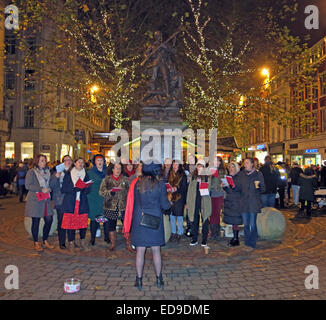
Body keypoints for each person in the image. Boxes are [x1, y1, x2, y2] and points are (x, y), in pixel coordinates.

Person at [123, 162, 171, 291]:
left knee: (140, 251)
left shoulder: (137, 183)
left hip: (140, 220)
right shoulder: (160, 184)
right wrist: (170, 202)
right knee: (156, 251)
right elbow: (165, 205)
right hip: (155, 220)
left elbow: (133, 202)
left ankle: (139, 280)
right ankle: (159, 279)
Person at [25, 154, 54, 252]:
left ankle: (45, 240)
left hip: (46, 199)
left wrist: (49, 188)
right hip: (35, 200)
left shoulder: (47, 171)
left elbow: (49, 183)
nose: (44, 162)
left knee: (49, 219)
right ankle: (36, 242)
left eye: (45, 160)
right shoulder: (31, 172)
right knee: (36, 221)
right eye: (42, 160)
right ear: (37, 162)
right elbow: (28, 185)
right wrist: (41, 189)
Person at [61, 158, 91, 254]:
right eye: (79, 162)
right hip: (71, 202)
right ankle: (71, 243)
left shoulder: (86, 175)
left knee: (82, 223)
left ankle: (82, 241)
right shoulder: (68, 174)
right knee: (71, 223)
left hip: (81, 202)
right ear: (75, 163)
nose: (81, 164)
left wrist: (83, 189)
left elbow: (89, 189)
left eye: (82, 162)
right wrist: (74, 189)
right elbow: (64, 189)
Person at [99, 162, 131, 252]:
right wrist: (110, 192)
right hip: (110, 207)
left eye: (120, 168)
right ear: (112, 169)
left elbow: (130, 192)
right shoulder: (106, 179)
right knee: (111, 226)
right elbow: (101, 192)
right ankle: (113, 244)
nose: (118, 170)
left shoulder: (125, 179)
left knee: (127, 226)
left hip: (123, 207)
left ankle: (128, 244)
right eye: (116, 168)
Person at [238, 158, 265, 250]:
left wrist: (258, 186)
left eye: (247, 163)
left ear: (252, 164)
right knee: (246, 224)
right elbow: (238, 188)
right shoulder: (241, 175)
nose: (245, 164)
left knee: (252, 224)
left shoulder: (258, 174)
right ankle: (247, 241)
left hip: (253, 202)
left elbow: (263, 189)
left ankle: (253, 242)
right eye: (244, 163)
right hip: (244, 202)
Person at [186, 159, 212, 247]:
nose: (199, 167)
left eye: (201, 166)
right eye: (198, 165)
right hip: (194, 201)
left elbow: (209, 189)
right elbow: (189, 190)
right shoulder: (193, 177)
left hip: (204, 201)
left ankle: (204, 240)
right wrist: (187, 202)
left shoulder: (207, 177)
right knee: (194, 220)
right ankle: (194, 239)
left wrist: (203, 183)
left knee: (204, 220)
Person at [49, 155, 73, 249]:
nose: (68, 161)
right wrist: (56, 177)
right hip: (60, 200)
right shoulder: (57, 172)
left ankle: (71, 240)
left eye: (69, 160)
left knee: (71, 220)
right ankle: (62, 242)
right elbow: (51, 186)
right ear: (63, 162)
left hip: (71, 199)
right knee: (62, 221)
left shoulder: (74, 171)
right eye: (66, 160)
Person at [87, 154, 109, 247]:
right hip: (94, 198)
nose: (99, 162)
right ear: (94, 162)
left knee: (106, 218)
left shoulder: (108, 172)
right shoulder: (90, 172)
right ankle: (92, 238)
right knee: (94, 219)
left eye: (101, 160)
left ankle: (107, 237)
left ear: (104, 161)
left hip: (105, 198)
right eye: (97, 160)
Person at [222, 162, 242, 247]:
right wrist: (224, 186)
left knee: (235, 220)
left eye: (232, 167)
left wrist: (232, 186)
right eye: (229, 167)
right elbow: (229, 190)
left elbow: (239, 189)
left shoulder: (239, 177)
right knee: (233, 220)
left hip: (236, 202)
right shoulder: (229, 177)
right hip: (230, 201)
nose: (230, 169)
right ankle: (234, 238)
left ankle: (236, 239)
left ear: (236, 168)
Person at [167, 160, 187, 243]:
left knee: (179, 216)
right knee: (171, 216)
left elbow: (184, 188)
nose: (174, 166)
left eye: (176, 164)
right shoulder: (170, 174)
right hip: (170, 197)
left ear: (179, 166)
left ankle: (179, 233)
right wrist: (168, 188)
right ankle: (173, 232)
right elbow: (167, 184)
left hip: (179, 198)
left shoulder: (182, 175)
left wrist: (176, 189)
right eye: (173, 164)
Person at [208, 156, 225, 240]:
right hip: (211, 194)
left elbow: (222, 180)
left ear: (220, 163)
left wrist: (215, 173)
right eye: (215, 161)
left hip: (219, 194)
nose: (216, 163)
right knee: (211, 213)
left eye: (218, 161)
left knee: (217, 213)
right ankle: (212, 231)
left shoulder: (222, 171)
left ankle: (216, 232)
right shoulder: (210, 171)